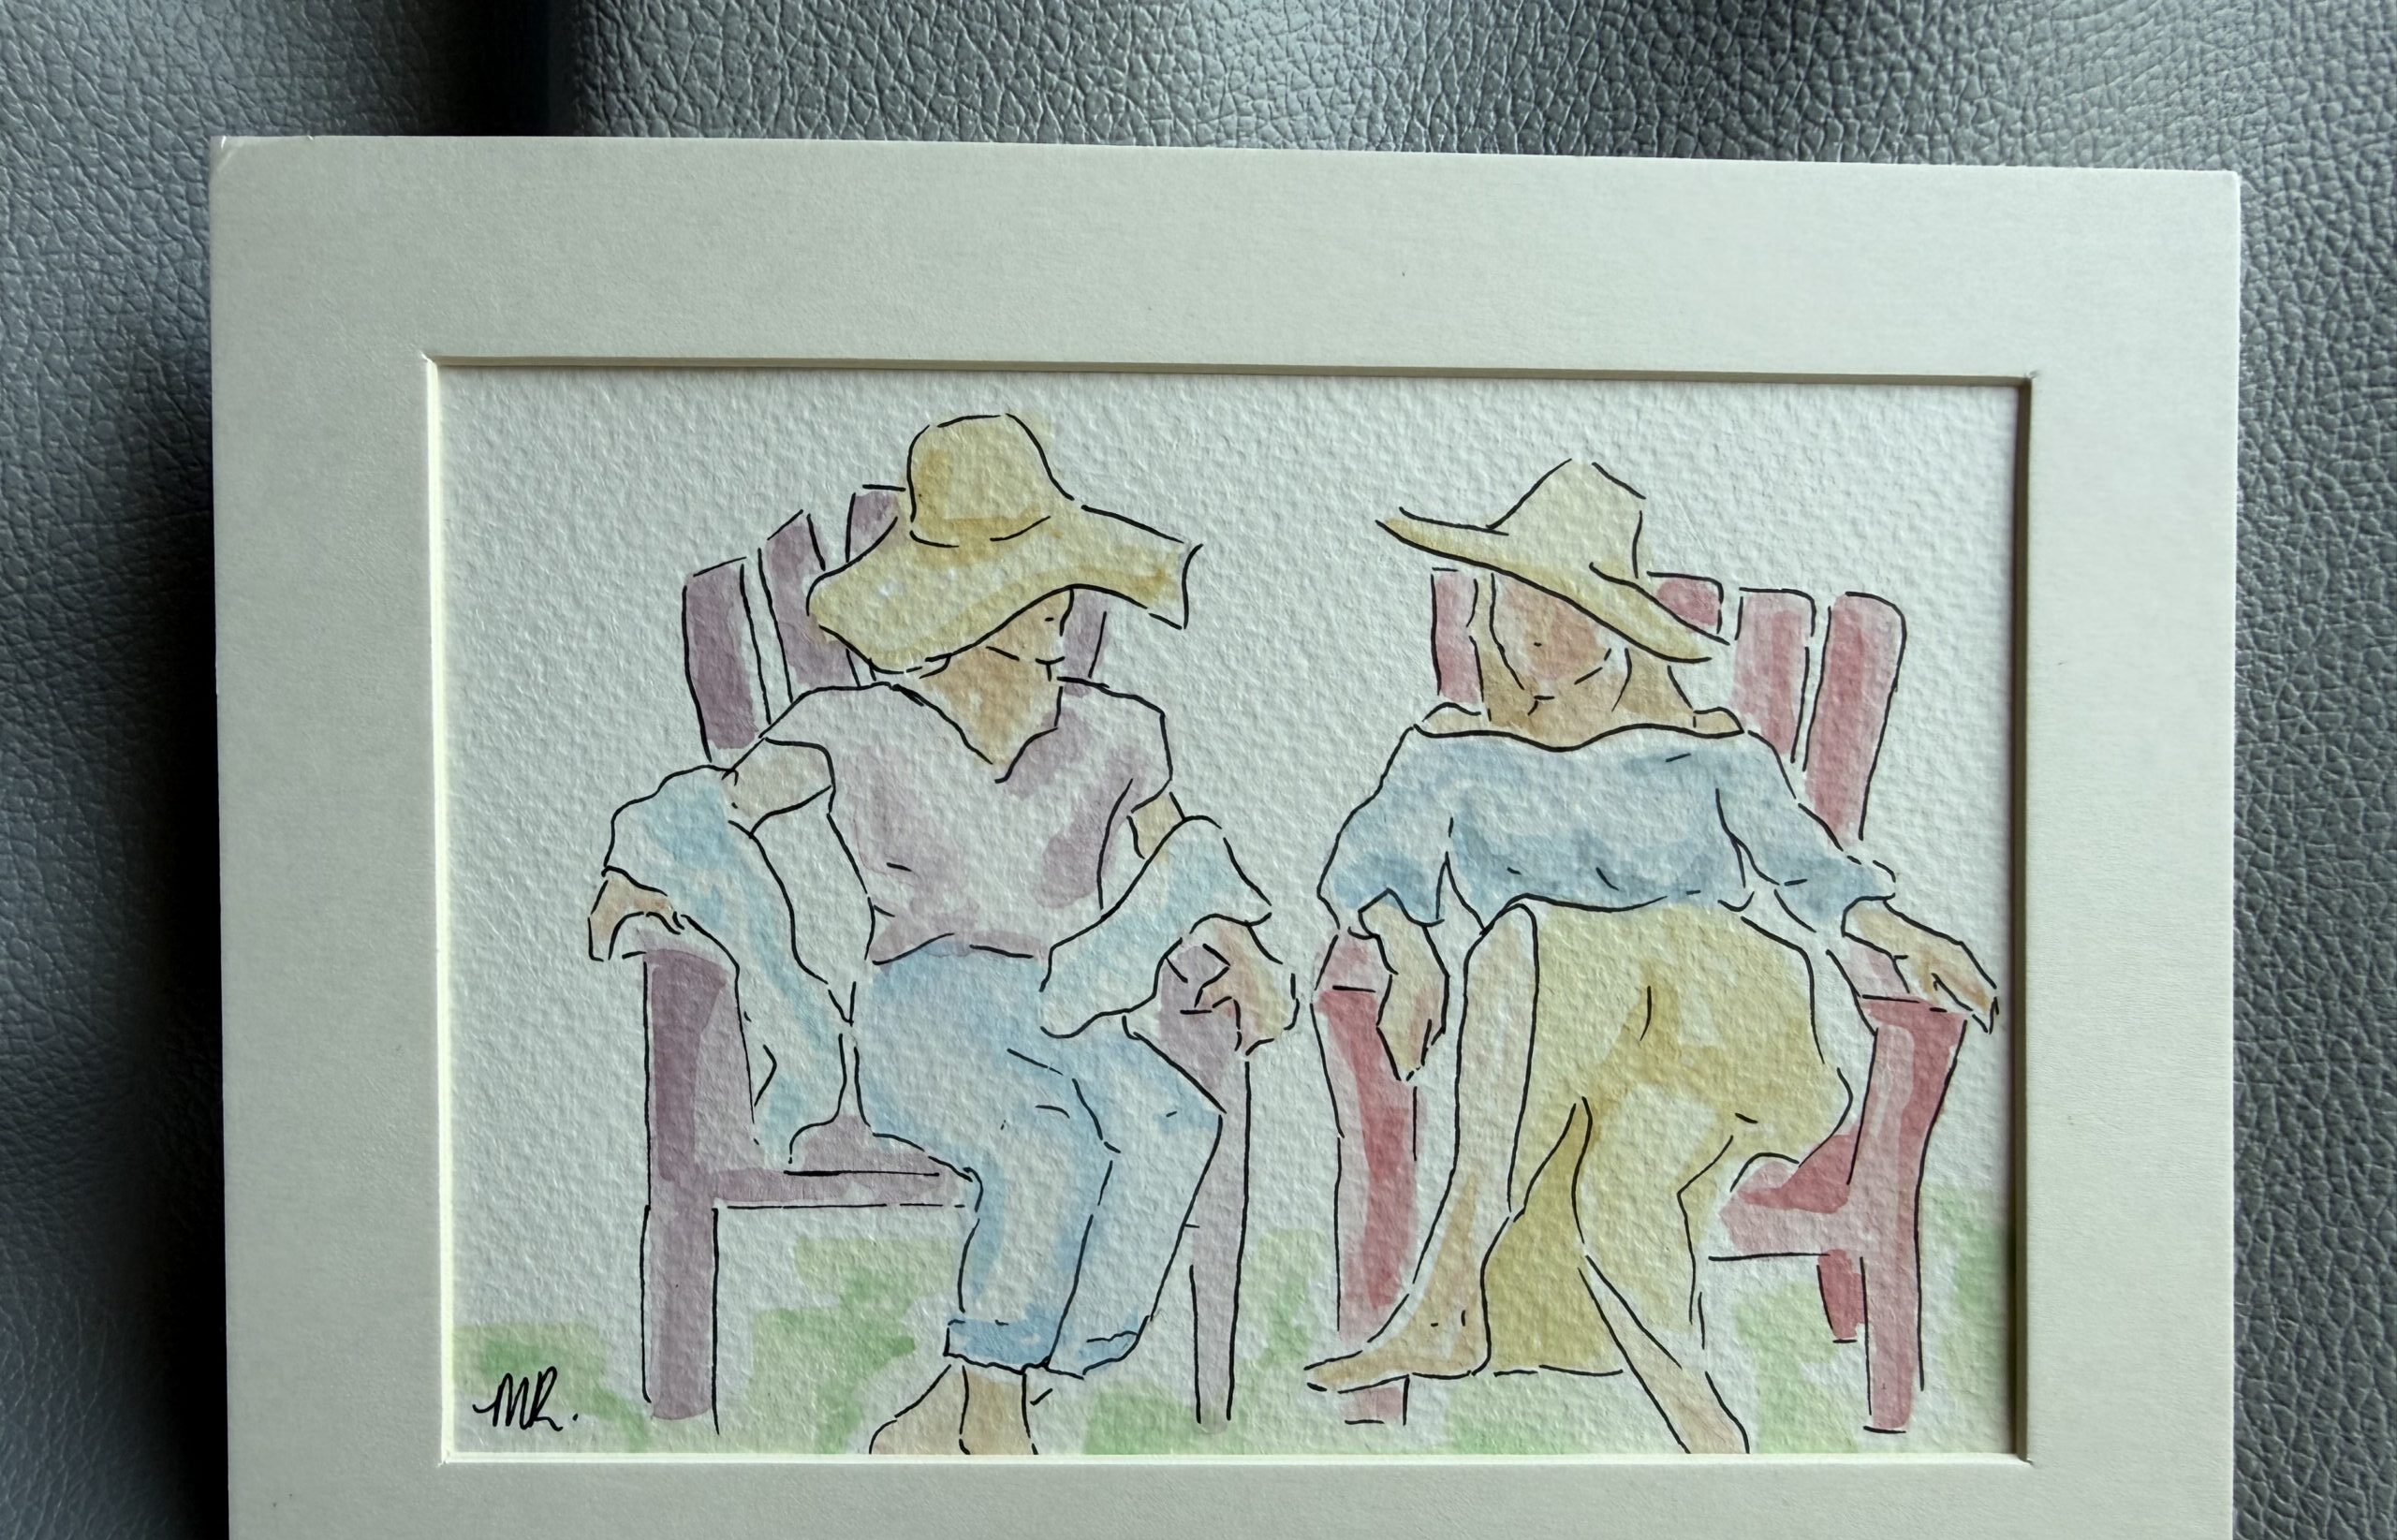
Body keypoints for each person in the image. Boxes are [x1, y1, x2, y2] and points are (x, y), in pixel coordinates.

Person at [589, 414, 1294, 1454]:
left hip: (1069, 1002)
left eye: (1061, 577)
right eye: (1027, 581)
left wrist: (1244, 950)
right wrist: (637, 866)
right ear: (962, 601)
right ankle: (995, 1417)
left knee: (1173, 1121)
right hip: (925, 1009)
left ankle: (979, 1392)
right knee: (1045, 1144)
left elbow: (1177, 860)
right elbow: (724, 801)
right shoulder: (861, 725)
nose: (1057, 607)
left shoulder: (1118, 731)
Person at [1303, 459, 1995, 1452]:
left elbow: (1814, 875)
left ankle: (1449, 1292)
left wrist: (1908, 935)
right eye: (1518, 600)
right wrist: (1410, 952)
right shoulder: (1451, 755)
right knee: (1620, 1194)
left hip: (1724, 1016)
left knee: (1522, 937)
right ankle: (1710, 1439)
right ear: (1488, 611)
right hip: (1587, 1070)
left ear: (1621, 624)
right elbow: (1367, 869)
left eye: (1568, 605)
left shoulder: (1714, 752)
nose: (1539, 628)